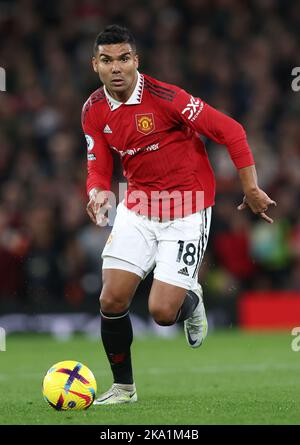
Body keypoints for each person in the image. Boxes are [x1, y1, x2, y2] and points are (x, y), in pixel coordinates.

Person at [81, 25, 276, 405]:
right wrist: (97, 191)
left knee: (161, 313)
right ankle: (124, 388)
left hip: (186, 207)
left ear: (136, 61)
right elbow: (98, 164)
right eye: (107, 60)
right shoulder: (93, 109)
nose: (116, 67)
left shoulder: (167, 98)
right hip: (138, 205)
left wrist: (250, 187)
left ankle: (190, 301)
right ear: (96, 66)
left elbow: (230, 130)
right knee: (111, 300)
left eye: (123, 58)